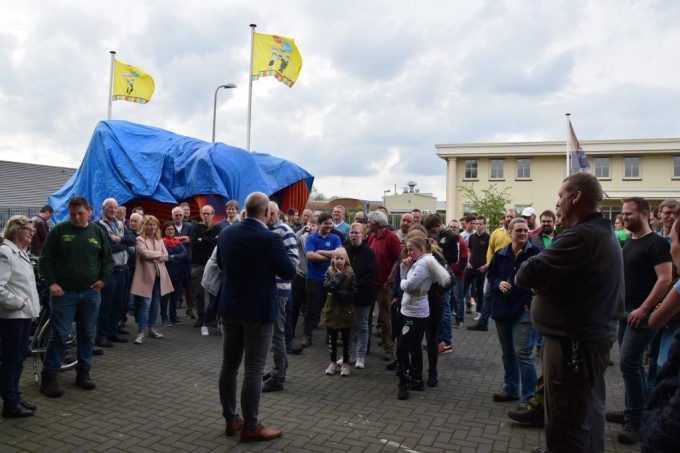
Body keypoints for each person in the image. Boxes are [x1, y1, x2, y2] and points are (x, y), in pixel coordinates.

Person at [515, 173, 622, 453]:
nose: (557, 203)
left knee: (567, 426)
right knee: (572, 417)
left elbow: (527, 273)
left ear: (576, 197)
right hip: (580, 342)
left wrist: (540, 280)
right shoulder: (597, 232)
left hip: (573, 346)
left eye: (561, 196)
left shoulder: (583, 236)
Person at [216, 192, 296, 442]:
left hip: (230, 307)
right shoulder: (269, 238)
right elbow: (289, 271)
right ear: (265, 212)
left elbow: (220, 264)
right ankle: (251, 426)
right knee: (253, 369)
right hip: (258, 312)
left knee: (229, 365)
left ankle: (231, 419)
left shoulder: (227, 232)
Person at [607, 197, 672, 445]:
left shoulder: (656, 244)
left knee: (629, 363)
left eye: (629, 213)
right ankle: (632, 410)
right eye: (623, 213)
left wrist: (644, 309)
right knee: (630, 365)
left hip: (640, 315)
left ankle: (636, 419)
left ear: (644, 214)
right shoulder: (630, 242)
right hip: (625, 312)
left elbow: (665, 279)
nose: (624, 217)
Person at [39, 196, 113, 398]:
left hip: (91, 293)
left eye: (81, 213)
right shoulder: (59, 231)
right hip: (64, 294)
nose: (77, 217)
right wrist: (52, 283)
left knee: (87, 334)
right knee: (60, 335)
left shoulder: (97, 232)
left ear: (90, 211)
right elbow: (45, 260)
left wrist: (103, 280)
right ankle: (49, 377)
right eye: (73, 214)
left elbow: (107, 260)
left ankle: (83, 373)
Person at [487, 218, 540, 404]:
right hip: (503, 310)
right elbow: (491, 275)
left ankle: (530, 399)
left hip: (524, 311)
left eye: (526, 230)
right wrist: (497, 283)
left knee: (522, 352)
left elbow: (543, 280)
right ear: (509, 233)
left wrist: (532, 300)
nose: (523, 233)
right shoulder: (501, 254)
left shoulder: (535, 254)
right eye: (519, 230)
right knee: (507, 352)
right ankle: (510, 389)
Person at [396, 234, 451, 400]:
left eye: (411, 249)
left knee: (402, 347)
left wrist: (403, 279)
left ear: (421, 249)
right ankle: (416, 379)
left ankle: (404, 382)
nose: (408, 252)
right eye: (407, 249)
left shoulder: (423, 264)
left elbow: (408, 285)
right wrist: (404, 270)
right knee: (413, 346)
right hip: (412, 309)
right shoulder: (422, 262)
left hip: (415, 311)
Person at [0, 216, 40, 417]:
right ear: (16, 230)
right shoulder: (6, 253)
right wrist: (19, 303)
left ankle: (14, 395)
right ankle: (10, 403)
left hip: (23, 315)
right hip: (13, 317)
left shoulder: (20, 253)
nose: (32, 232)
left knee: (18, 359)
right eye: (28, 229)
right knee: (11, 359)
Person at [262, 201, 299, 392]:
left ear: (278, 213)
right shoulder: (266, 230)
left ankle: (278, 377)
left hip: (279, 290)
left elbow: (293, 261)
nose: (270, 216)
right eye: (267, 213)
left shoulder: (284, 230)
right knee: (274, 332)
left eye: (273, 213)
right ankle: (280, 368)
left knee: (276, 333)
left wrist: (267, 267)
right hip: (270, 289)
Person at [95, 198, 136, 347]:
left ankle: (112, 331)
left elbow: (134, 240)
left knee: (118, 303)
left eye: (115, 208)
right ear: (103, 208)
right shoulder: (99, 225)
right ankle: (101, 336)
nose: (113, 210)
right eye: (109, 207)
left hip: (123, 269)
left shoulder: (120, 224)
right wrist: (124, 243)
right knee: (106, 304)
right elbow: (108, 247)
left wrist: (120, 239)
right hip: (109, 271)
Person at [130, 215, 174, 345]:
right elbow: (144, 254)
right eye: (150, 224)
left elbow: (166, 256)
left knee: (155, 304)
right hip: (145, 277)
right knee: (145, 305)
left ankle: (151, 329)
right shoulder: (140, 239)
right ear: (145, 226)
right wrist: (159, 255)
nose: (153, 227)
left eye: (155, 224)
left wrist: (158, 256)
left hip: (159, 277)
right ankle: (141, 332)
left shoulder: (159, 240)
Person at [302, 213, 341, 348]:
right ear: (319, 224)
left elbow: (339, 253)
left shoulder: (335, 237)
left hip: (331, 279)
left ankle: (331, 337)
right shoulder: (311, 238)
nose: (329, 226)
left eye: (330, 223)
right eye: (326, 223)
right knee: (312, 309)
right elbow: (309, 255)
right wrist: (330, 255)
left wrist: (320, 252)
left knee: (331, 309)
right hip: (314, 279)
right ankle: (307, 336)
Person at [367, 210, 402, 361]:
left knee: (386, 318)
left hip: (385, 285)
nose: (368, 225)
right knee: (367, 317)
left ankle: (389, 348)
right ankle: (365, 345)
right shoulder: (372, 237)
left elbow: (397, 260)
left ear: (376, 224)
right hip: (371, 283)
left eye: (370, 223)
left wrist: (390, 278)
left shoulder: (391, 238)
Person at [321, 247, 358, 377]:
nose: (339, 261)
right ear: (333, 260)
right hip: (331, 309)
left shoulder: (350, 273)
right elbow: (327, 286)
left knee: (346, 338)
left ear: (345, 260)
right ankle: (332, 362)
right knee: (332, 338)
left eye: (341, 258)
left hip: (345, 310)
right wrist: (336, 277)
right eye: (336, 258)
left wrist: (337, 294)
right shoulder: (329, 272)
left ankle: (346, 364)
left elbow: (353, 293)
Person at [345, 222, 377, 369]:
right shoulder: (344, 251)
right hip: (347, 295)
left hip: (363, 295)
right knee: (348, 325)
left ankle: (360, 356)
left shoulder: (369, 253)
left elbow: (371, 275)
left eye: (356, 233)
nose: (353, 235)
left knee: (362, 326)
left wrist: (354, 285)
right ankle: (348, 355)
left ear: (363, 236)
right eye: (351, 232)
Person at [190, 205, 222, 327]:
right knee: (199, 292)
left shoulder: (217, 228)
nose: (206, 216)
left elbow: (217, 244)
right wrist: (210, 240)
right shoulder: (195, 228)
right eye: (204, 213)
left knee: (213, 292)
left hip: (213, 266)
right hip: (198, 264)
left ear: (213, 215)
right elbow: (194, 244)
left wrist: (202, 240)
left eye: (208, 213)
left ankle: (212, 317)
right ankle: (201, 316)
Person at [160, 221, 188, 326]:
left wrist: (173, 256)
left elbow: (185, 255)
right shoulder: (162, 242)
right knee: (165, 297)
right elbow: (165, 257)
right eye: (169, 229)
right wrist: (177, 256)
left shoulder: (178, 242)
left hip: (178, 273)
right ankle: (164, 317)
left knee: (175, 297)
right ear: (164, 231)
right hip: (167, 273)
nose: (171, 231)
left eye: (172, 229)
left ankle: (173, 316)